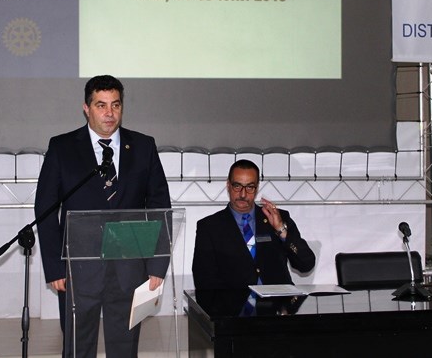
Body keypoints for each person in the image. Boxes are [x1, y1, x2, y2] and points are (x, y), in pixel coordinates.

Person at [34, 75, 171, 358]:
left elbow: (159, 205)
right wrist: (55, 267)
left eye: (115, 105)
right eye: (101, 105)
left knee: (125, 348)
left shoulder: (143, 146)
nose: (109, 113)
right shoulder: (62, 147)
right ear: (86, 108)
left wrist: (158, 263)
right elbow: (45, 209)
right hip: (78, 268)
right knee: (78, 347)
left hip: (129, 266)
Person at [192, 159, 316, 289]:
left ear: (257, 188)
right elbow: (203, 280)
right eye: (237, 186)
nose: (243, 194)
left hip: (278, 300)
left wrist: (281, 230)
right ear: (228, 185)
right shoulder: (209, 227)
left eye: (250, 187)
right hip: (234, 301)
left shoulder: (279, 218)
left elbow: (306, 264)